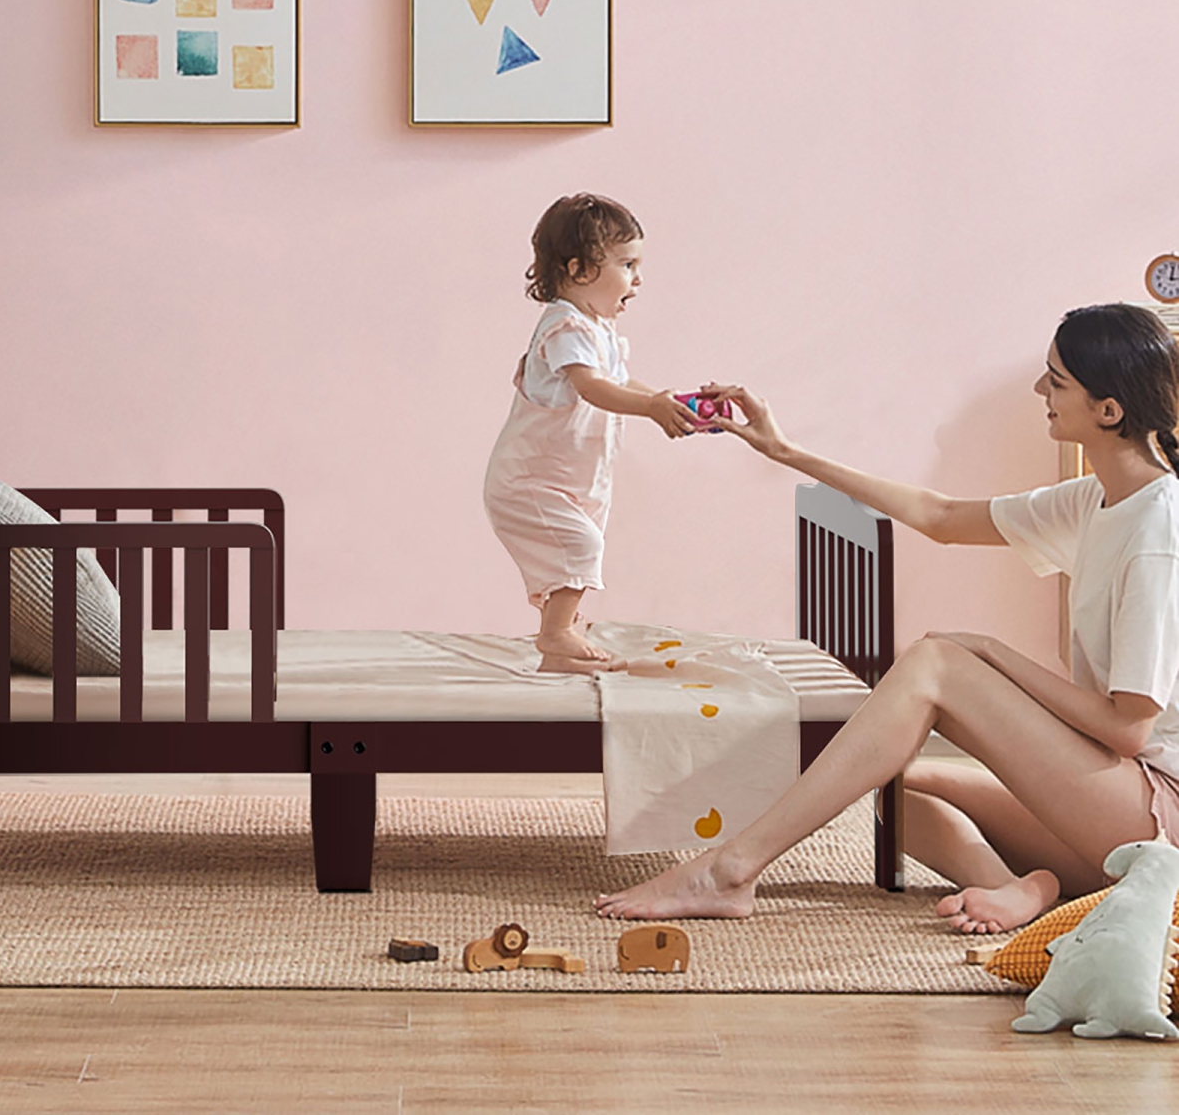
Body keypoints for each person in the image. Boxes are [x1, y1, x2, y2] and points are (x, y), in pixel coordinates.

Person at [595, 302, 1179, 933]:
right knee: (893, 783)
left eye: (1056, 380)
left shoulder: (1156, 531)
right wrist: (783, 450)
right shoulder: (1098, 499)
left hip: (1156, 817)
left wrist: (991, 652)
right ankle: (1016, 889)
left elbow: (1128, 731)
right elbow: (942, 518)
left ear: (1108, 410)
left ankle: (731, 869)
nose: (1041, 389)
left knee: (939, 663)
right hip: (1111, 807)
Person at [483, 193, 694, 674]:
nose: (638, 278)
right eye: (627, 264)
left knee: (570, 554)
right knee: (579, 548)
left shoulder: (594, 328)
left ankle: (561, 648)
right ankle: (555, 634)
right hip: (529, 482)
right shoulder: (566, 326)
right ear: (579, 270)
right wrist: (649, 408)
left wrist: (669, 401)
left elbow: (617, 382)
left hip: (570, 481)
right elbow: (593, 386)